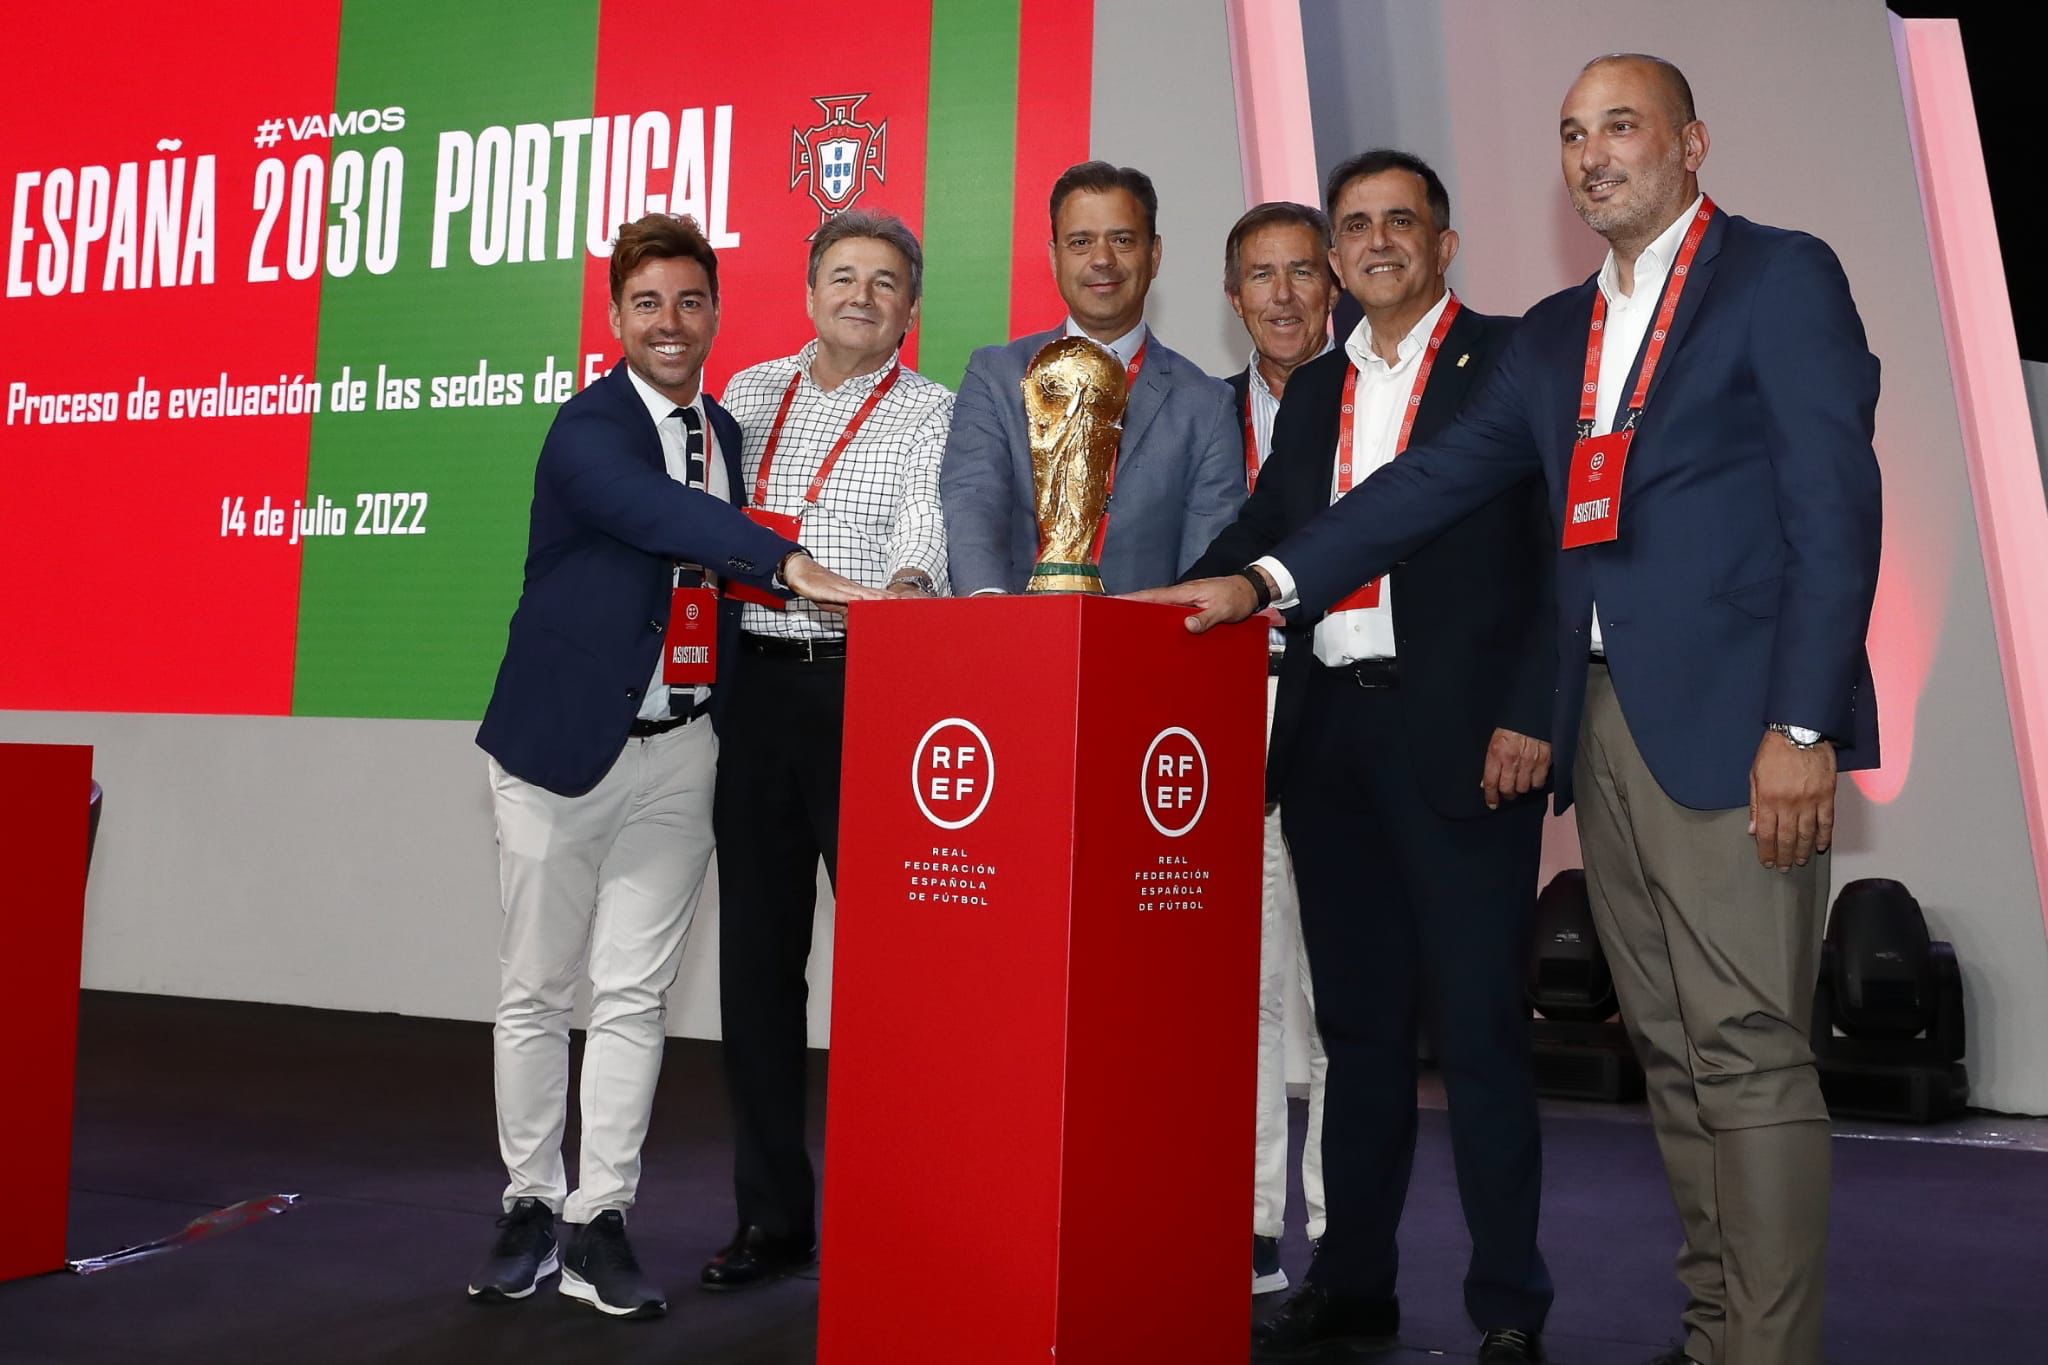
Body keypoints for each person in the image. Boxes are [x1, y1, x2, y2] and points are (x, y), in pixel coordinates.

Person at [1136, 55, 1882, 1365]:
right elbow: (1420, 491)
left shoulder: (1779, 276)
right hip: (1606, 731)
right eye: (1571, 134)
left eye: (1621, 129)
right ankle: (1714, 1332)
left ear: (1690, 143)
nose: (1593, 156)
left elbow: (1836, 509)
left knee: (1749, 1054)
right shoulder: (1559, 332)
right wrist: (1260, 578)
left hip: (1738, 729)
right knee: (1671, 1049)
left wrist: (1805, 725)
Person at [469, 212, 883, 1319]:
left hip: (683, 750)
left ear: (713, 314)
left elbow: (705, 560)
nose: (670, 322)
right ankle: (525, 1203)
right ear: (614, 318)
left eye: (690, 302)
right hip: (562, 752)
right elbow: (657, 518)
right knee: (535, 991)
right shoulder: (586, 430)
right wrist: (789, 561)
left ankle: (598, 1217)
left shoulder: (724, 431)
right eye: (647, 303)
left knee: (635, 995)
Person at [1193, 157, 1555, 1364]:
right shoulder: (1313, 391)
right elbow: (1268, 534)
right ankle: (1354, 1282)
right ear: (1337, 259)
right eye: (1355, 227)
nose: (1376, 242)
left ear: (1443, 244)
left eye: (1401, 221)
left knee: (1480, 1031)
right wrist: (1172, 595)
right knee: (1353, 1032)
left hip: (1464, 744)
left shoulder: (1507, 360)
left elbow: (1564, 549)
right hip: (1330, 741)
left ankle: (1506, 1304)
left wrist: (1530, 711)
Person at [699, 211, 953, 1291]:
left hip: (868, 696)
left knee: (889, 975)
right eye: (841, 276)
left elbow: (921, 546)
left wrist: (898, 594)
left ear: (909, 310)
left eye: (884, 282)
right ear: (807, 292)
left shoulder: (935, 414)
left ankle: (898, 1214)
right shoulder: (745, 398)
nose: (860, 295)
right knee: (757, 970)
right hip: (752, 692)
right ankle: (771, 1219)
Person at [940, 160, 1242, 594]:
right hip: (1011, 638)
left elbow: (1204, 565)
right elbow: (973, 503)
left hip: (1138, 648)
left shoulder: (1206, 404)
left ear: (1154, 255)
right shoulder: (995, 376)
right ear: (1054, 257)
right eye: (1081, 242)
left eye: (1122, 240)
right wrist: (992, 617)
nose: (1102, 260)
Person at [1217, 200, 1335, 1300]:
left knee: (1341, 993)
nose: (1283, 295)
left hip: (1346, 708)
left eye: (1303, 271)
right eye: (1261, 276)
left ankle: (1335, 1228)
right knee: (1244, 990)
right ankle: (1250, 1223)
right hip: (1223, 720)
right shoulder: (1199, 416)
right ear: (1231, 296)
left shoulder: (1376, 402)